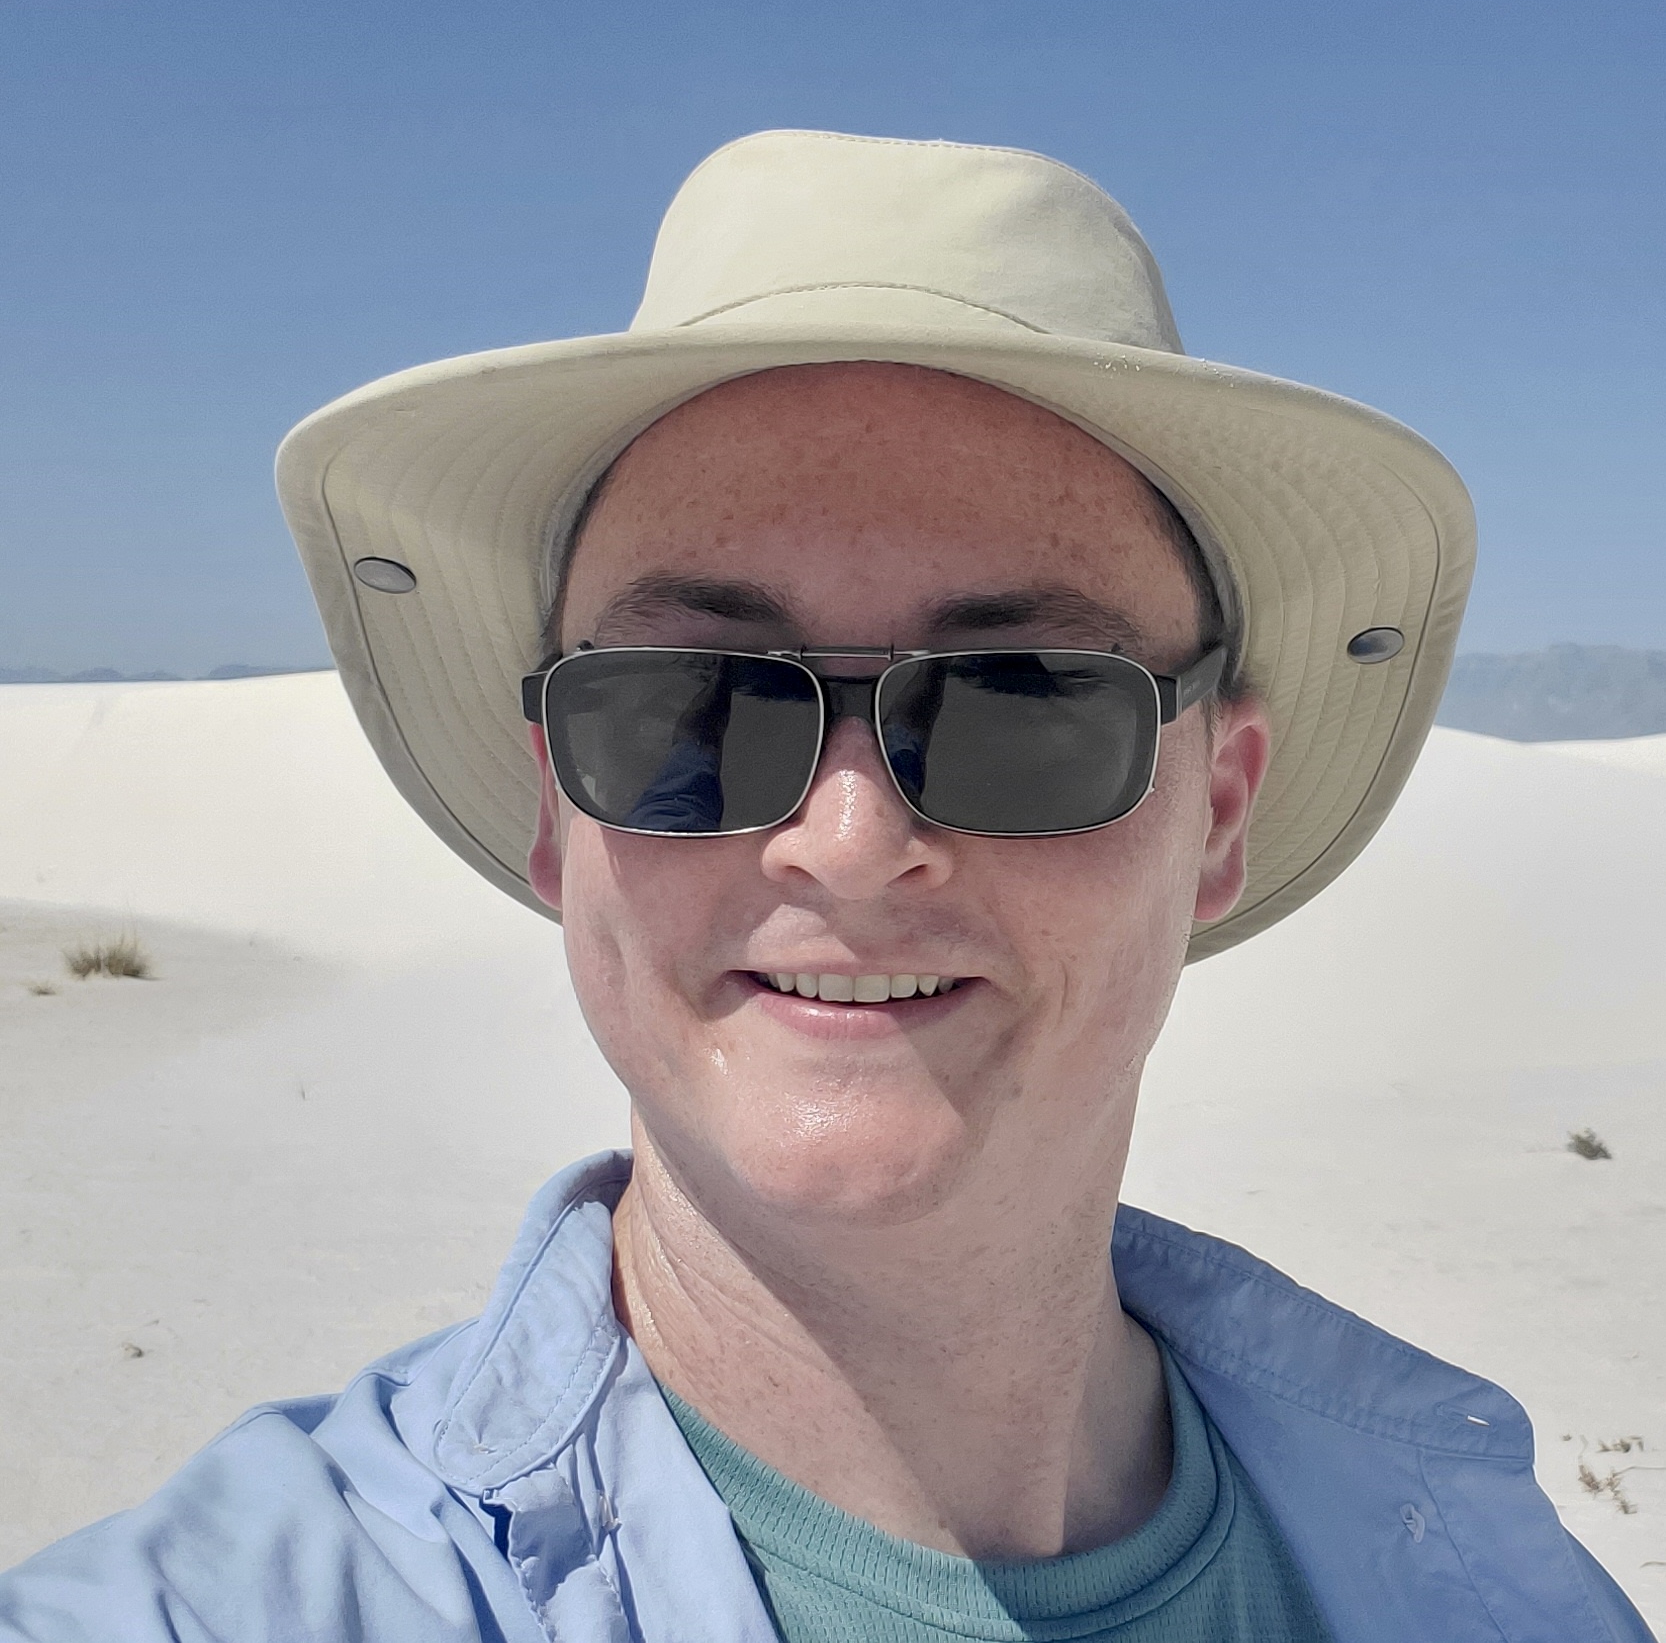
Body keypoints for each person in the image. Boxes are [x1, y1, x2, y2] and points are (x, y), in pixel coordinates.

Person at [0, 130, 1650, 1643]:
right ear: (556, 811)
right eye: (688, 708)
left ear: (1214, 808)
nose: (847, 843)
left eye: (1018, 701)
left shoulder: (1476, 1570)